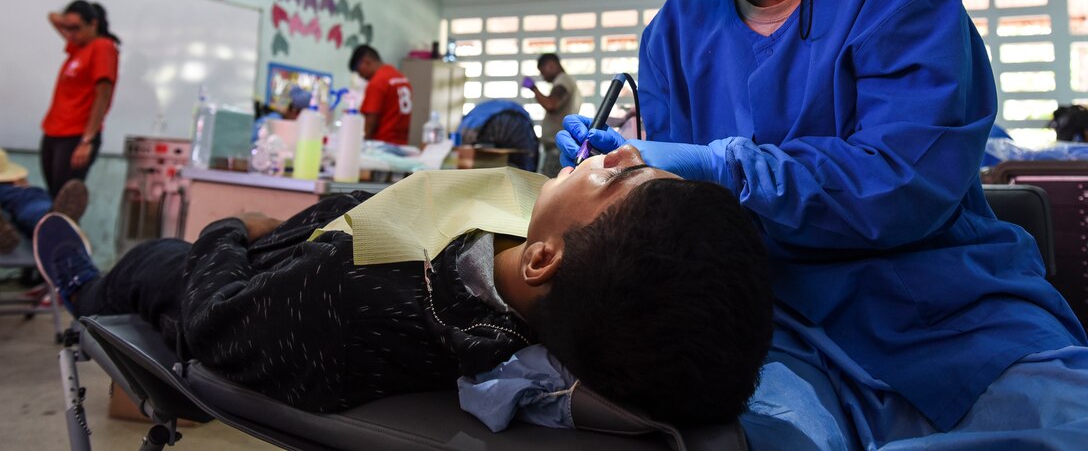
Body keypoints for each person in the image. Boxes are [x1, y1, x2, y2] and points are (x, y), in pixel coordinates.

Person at [561, 0, 1088, 448]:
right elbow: (685, 216)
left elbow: (903, 183)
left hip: (951, 316)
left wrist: (724, 166)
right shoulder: (672, 33)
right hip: (775, 329)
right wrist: (624, 180)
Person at [34, 145, 773, 425]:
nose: (621, 148)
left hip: (243, 280)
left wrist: (231, 232)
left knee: (147, 266)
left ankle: (78, 286)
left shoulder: (364, 296)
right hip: (310, 263)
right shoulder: (533, 314)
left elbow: (216, 322)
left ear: (545, 261)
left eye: (624, 176)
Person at [41, 0, 120, 197]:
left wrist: (87, 140)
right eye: (67, 29)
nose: (70, 34)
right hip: (54, 130)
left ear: (93, 24)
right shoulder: (78, 47)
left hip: (76, 136)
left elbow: (103, 95)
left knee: (64, 199)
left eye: (76, 28)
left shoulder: (102, 47)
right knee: (53, 196)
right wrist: (72, 18)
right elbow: (52, 16)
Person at [0, 148, 87, 252]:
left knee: (25, 199)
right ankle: (49, 219)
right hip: (11, 190)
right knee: (28, 199)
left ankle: (50, 221)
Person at [522, 54, 581, 177]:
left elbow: (551, 105)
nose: (543, 76)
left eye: (542, 72)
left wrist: (533, 88)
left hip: (557, 149)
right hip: (557, 148)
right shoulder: (568, 81)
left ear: (551, 65)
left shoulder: (563, 80)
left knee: (550, 186)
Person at [348, 45, 412, 145]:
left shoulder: (378, 82)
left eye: (358, 70)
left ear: (366, 61)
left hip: (383, 144)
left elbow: (370, 123)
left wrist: (356, 144)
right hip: (402, 144)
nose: (360, 76)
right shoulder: (400, 77)